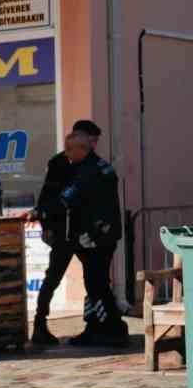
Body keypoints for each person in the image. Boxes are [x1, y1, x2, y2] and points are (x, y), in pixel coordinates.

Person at [62, 120, 127, 347]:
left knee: (97, 284)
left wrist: (40, 211)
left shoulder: (91, 170)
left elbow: (70, 198)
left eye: (70, 149)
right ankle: (97, 326)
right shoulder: (91, 167)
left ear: (84, 145)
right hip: (93, 236)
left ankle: (112, 328)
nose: (67, 153)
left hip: (97, 237)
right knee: (93, 284)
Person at [28, 132, 88, 347]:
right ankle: (39, 324)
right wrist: (44, 221)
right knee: (52, 278)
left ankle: (97, 324)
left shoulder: (89, 165)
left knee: (95, 280)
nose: (69, 153)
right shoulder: (58, 164)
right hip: (63, 231)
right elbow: (49, 197)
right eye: (68, 148)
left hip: (83, 231)